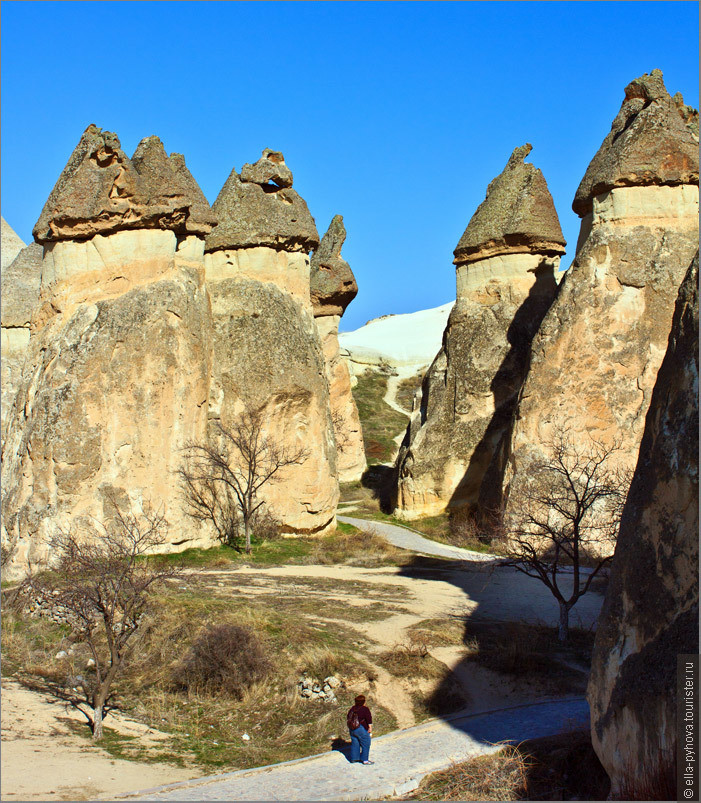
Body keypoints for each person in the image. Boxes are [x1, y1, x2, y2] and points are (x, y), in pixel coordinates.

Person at [347, 694, 374, 764]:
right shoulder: (365, 709)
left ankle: (354, 758)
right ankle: (365, 760)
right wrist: (370, 728)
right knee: (366, 742)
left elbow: (348, 717)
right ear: (363, 702)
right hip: (360, 728)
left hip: (352, 729)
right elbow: (369, 719)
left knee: (355, 743)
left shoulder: (352, 708)